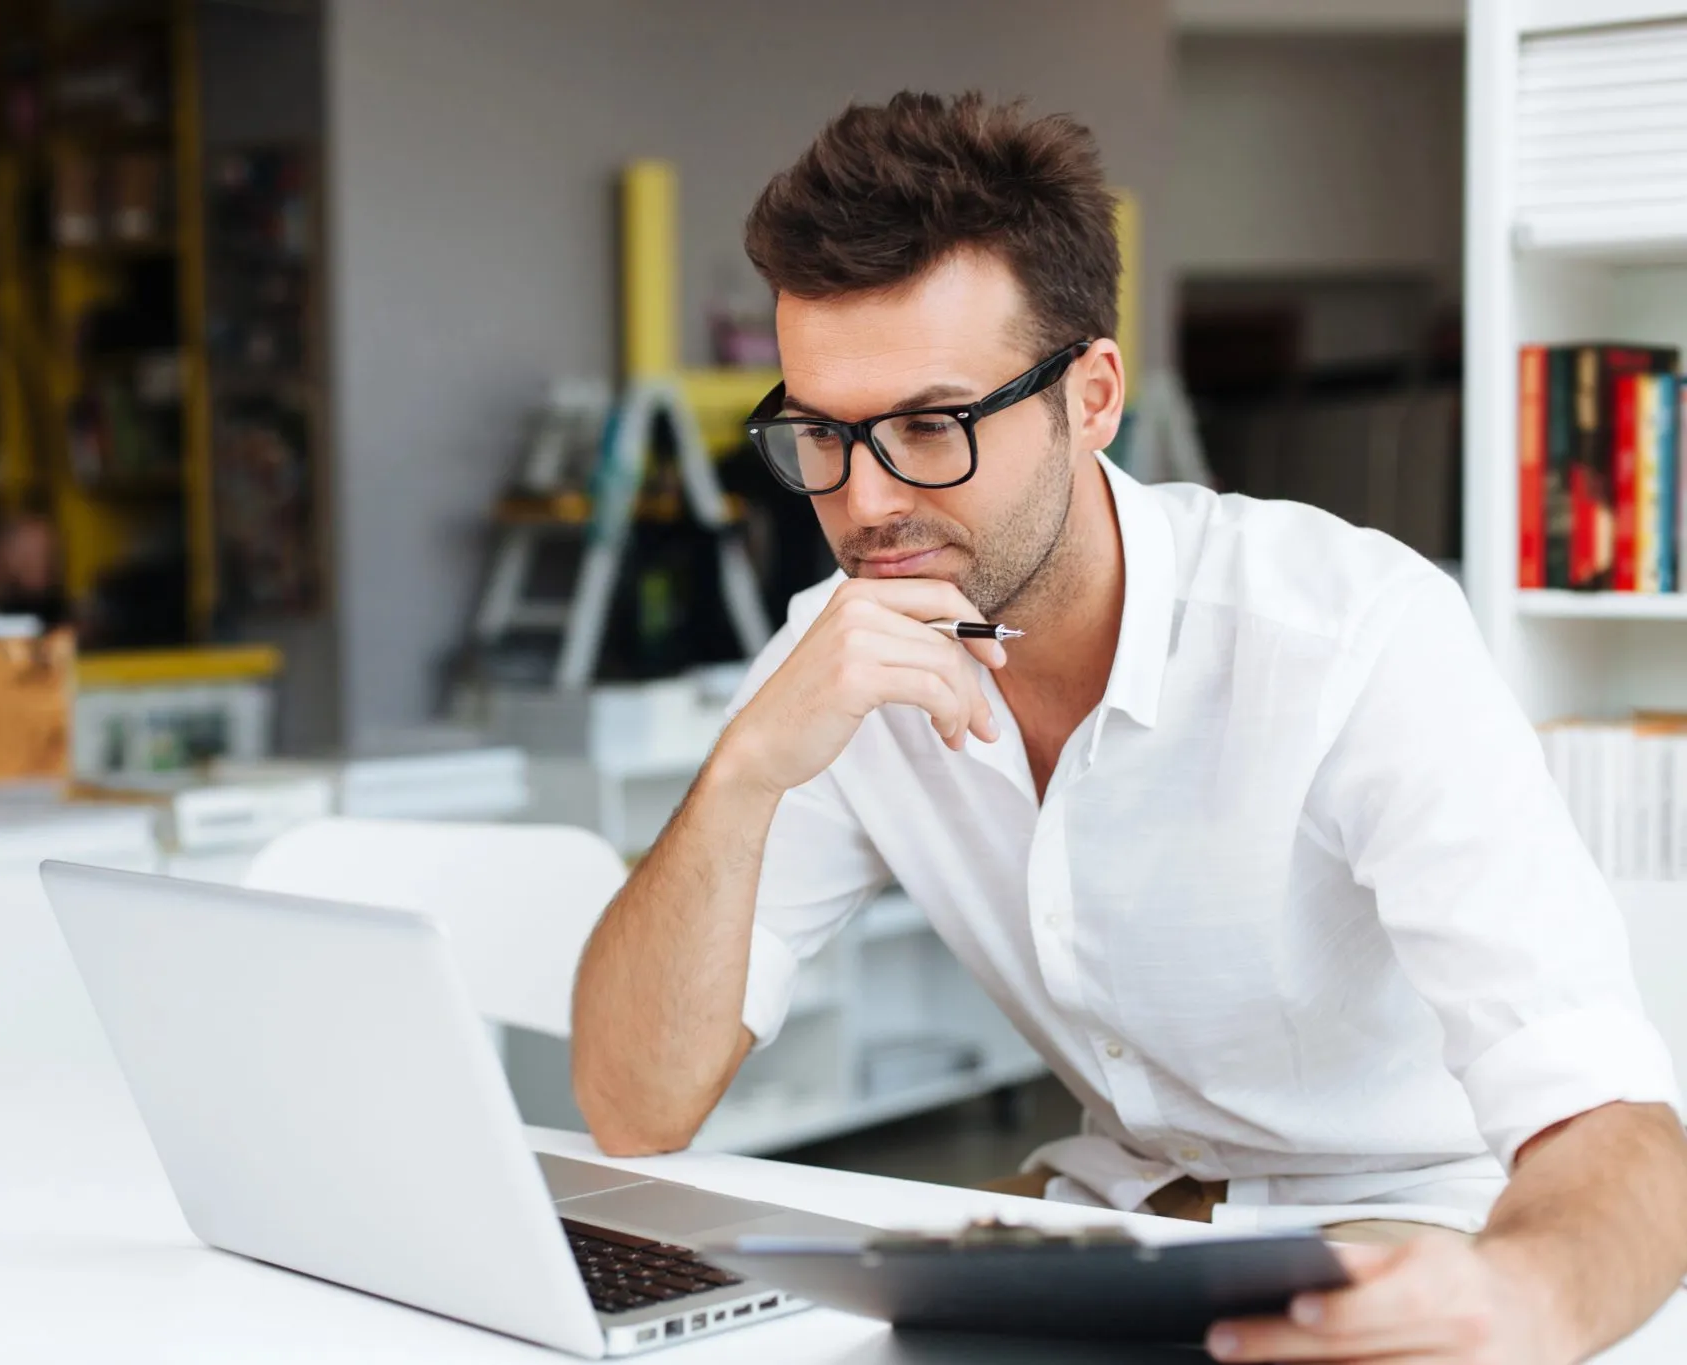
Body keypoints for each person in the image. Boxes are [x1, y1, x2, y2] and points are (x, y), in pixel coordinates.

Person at [569, 92, 1687, 1365]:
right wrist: (743, 774)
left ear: (1090, 396)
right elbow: (631, 1108)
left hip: (1406, 1235)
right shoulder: (840, 652)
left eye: (931, 426)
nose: (866, 502)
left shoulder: (1353, 638)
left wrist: (1526, 1303)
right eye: (821, 434)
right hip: (1105, 1231)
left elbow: (1615, 1126)